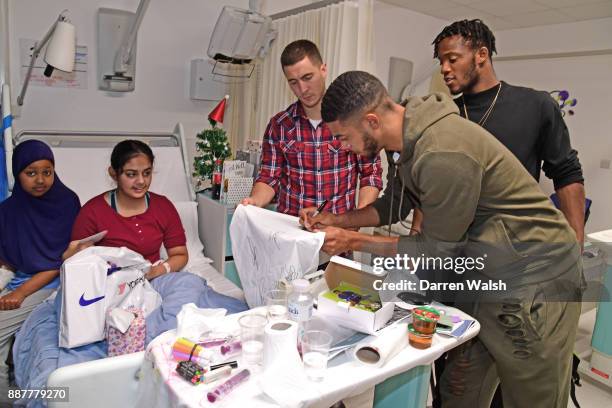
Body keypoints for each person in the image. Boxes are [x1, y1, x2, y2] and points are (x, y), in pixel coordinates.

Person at [301, 71, 584, 408]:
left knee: (531, 396)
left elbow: (436, 250)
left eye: (344, 137)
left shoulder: (442, 152)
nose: (343, 147)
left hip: (535, 277)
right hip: (486, 272)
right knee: (460, 390)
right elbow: (394, 205)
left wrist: (353, 241)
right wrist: (338, 220)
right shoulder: (404, 142)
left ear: (372, 121)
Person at [408, 19, 585, 245]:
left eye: (452, 59)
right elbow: (430, 186)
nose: (444, 68)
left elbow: (566, 173)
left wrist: (575, 242)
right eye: (441, 61)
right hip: (451, 251)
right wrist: (415, 240)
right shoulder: (442, 114)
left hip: (512, 252)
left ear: (481, 55)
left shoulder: (535, 105)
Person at [241, 39, 383, 217]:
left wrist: (357, 219)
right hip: (290, 232)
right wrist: (254, 201)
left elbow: (371, 175)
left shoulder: (353, 120)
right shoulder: (279, 126)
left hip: (338, 233)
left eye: (307, 78)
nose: (302, 89)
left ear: (323, 70)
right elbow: (269, 178)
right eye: (293, 82)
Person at [0, 140, 80, 395]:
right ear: (17, 173)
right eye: (31, 173)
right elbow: (7, 259)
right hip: (20, 278)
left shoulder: (67, 203)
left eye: (47, 171)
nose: (40, 180)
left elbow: (59, 262)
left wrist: (20, 293)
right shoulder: (8, 210)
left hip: (54, 283)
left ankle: (5, 395)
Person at [65, 139, 188, 279]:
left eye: (147, 173)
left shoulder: (163, 206)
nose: (141, 181)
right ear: (113, 173)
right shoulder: (92, 212)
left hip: (155, 281)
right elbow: (73, 262)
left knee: (190, 286)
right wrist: (76, 252)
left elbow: (180, 255)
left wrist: (156, 271)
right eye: (131, 174)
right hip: (110, 286)